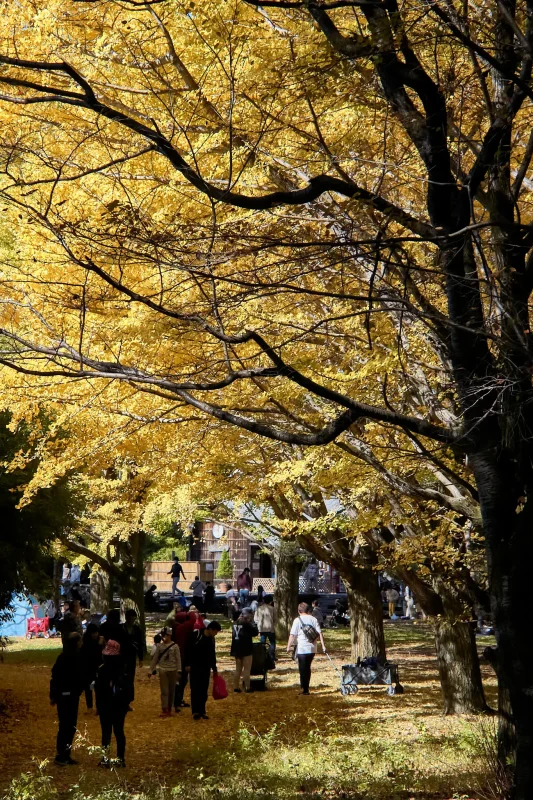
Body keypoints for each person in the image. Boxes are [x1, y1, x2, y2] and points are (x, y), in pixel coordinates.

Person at [50, 631, 84, 765]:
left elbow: (55, 676)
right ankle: (62, 754)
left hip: (65, 695)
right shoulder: (75, 657)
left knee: (67, 724)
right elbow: (78, 676)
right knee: (67, 725)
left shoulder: (62, 657)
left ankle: (65, 753)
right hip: (69, 695)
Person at [95, 639, 130, 767]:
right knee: (119, 731)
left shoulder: (102, 670)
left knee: (106, 732)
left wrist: (98, 706)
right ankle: (120, 758)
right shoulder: (123, 669)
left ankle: (105, 758)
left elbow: (98, 690)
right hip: (119, 705)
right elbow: (128, 688)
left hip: (106, 704)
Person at [184, 620, 221, 720]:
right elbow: (188, 650)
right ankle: (195, 711)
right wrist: (187, 664)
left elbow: (212, 654)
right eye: (215, 631)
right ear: (210, 629)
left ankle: (202, 710)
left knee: (204, 690)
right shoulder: (196, 635)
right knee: (195, 688)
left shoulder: (212, 639)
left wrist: (214, 669)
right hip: (195, 666)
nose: (216, 634)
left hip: (206, 667)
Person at [287, 602, 327, 695]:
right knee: (307, 667)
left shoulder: (297, 620)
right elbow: (319, 633)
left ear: (299, 611)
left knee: (302, 668)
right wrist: (323, 645)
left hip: (302, 648)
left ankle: (305, 689)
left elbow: (292, 635)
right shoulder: (313, 619)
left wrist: (289, 646)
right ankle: (305, 687)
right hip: (312, 648)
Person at [150, 626, 182, 717]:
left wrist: (179, 670)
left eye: (165, 635)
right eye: (162, 635)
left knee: (172, 690)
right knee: (165, 690)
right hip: (163, 669)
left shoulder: (175, 646)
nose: (163, 637)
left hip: (173, 670)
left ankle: (169, 708)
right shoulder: (160, 646)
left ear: (169, 635)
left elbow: (178, 659)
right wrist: (151, 669)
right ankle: (164, 708)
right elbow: (155, 658)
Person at [172, 611, 197, 710]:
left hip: (180, 656)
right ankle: (177, 701)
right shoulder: (182, 628)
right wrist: (190, 613)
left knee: (181, 680)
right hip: (182, 657)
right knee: (181, 680)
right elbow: (193, 619)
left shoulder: (175, 627)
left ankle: (179, 700)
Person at [231, 610, 258, 693]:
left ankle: (236, 687)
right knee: (247, 669)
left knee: (238, 669)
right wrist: (253, 623)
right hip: (246, 648)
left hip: (236, 648)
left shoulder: (235, 624)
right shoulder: (246, 624)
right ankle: (247, 687)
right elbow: (255, 632)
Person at [122, 609, 144, 707]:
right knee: (122, 678)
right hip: (122, 657)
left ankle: (128, 700)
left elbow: (140, 643)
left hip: (131, 657)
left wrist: (140, 658)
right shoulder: (121, 628)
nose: (132, 621)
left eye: (134, 619)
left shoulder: (136, 629)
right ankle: (122, 699)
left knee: (130, 679)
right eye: (131, 619)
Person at [81, 623, 103, 711]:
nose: (95, 634)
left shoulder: (100, 640)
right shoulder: (86, 643)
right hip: (88, 669)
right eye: (93, 633)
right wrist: (99, 645)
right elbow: (93, 654)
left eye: (96, 632)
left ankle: (98, 707)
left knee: (98, 689)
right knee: (89, 688)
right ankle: (89, 707)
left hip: (98, 668)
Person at [255, 595, 276, 661]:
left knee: (262, 643)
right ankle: (271, 655)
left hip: (261, 628)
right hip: (270, 628)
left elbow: (255, 619)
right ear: (271, 601)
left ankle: (262, 655)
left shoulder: (259, 608)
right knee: (272, 642)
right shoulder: (272, 609)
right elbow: (275, 619)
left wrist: (258, 625)